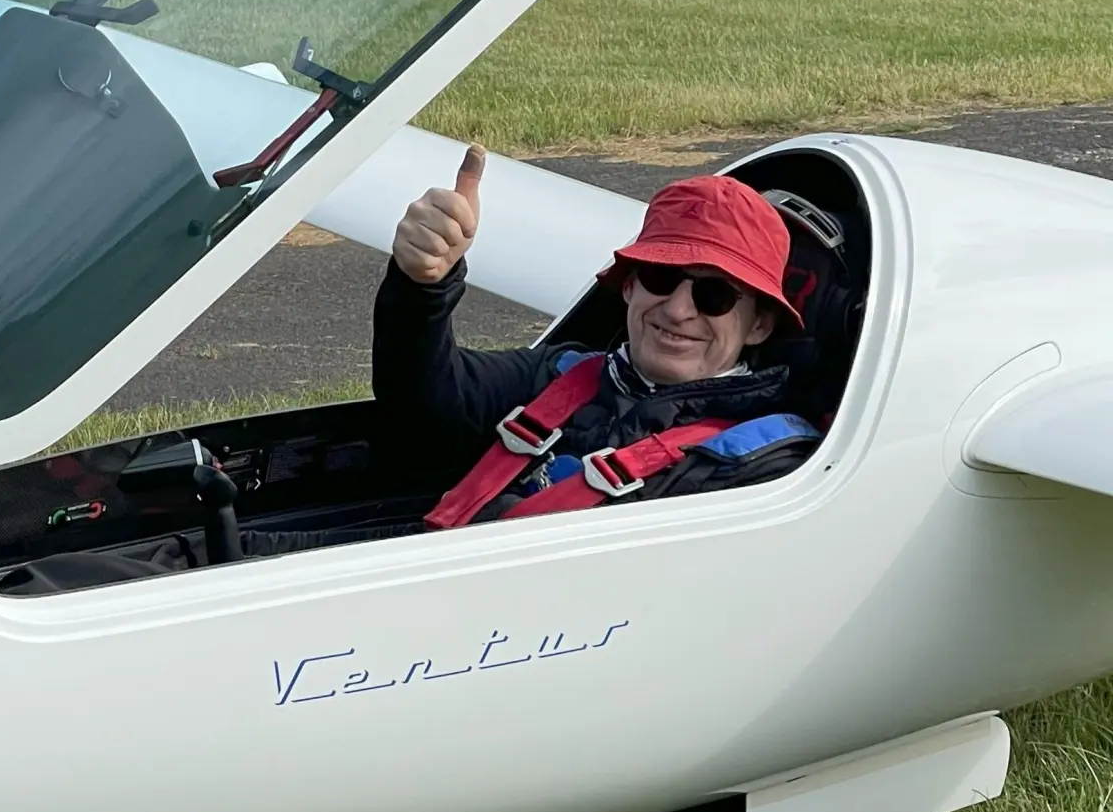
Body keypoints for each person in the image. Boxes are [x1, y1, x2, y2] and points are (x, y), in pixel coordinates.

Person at [139, 144, 824, 570]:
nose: (677, 308)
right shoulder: (563, 376)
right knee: (173, 561)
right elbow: (423, 401)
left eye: (712, 295)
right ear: (630, 287)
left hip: (511, 649)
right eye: (661, 279)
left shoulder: (768, 467)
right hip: (429, 599)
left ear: (760, 323)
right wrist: (423, 284)